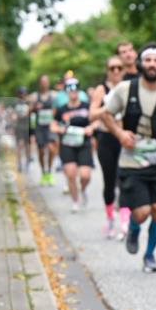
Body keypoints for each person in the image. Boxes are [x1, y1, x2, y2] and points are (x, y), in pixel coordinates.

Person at [101, 43, 156, 272]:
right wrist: (120, 133)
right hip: (132, 160)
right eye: (148, 60)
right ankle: (134, 228)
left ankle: (149, 255)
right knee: (142, 211)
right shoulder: (125, 89)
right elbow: (106, 114)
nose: (152, 64)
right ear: (140, 63)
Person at [90, 55, 128, 238]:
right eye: (112, 68)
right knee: (110, 181)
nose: (116, 71)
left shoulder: (128, 87)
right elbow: (92, 114)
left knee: (125, 180)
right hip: (106, 138)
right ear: (107, 70)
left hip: (125, 138)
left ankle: (125, 221)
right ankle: (110, 218)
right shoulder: (101, 89)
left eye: (119, 67)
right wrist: (109, 108)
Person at [51, 79, 95, 212]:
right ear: (66, 92)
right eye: (70, 91)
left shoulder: (86, 106)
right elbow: (52, 125)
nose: (73, 93)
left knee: (85, 175)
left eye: (75, 90)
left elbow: (96, 121)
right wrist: (60, 129)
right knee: (70, 174)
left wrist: (91, 128)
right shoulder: (62, 109)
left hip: (83, 143)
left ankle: (83, 189)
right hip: (67, 144)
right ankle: (75, 201)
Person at [29, 75, 58, 185]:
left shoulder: (54, 95)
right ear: (39, 83)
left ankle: (49, 171)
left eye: (46, 81)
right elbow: (28, 111)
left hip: (50, 126)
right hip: (39, 127)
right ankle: (43, 173)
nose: (44, 84)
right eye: (42, 82)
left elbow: (59, 109)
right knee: (41, 151)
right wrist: (34, 108)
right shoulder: (34, 96)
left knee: (51, 149)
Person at [13, 87, 33, 172]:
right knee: (19, 145)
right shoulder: (15, 103)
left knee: (27, 145)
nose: (22, 95)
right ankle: (19, 163)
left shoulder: (29, 102)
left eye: (24, 93)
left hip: (27, 126)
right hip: (19, 126)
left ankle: (28, 162)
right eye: (21, 94)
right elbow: (13, 114)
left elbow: (29, 111)